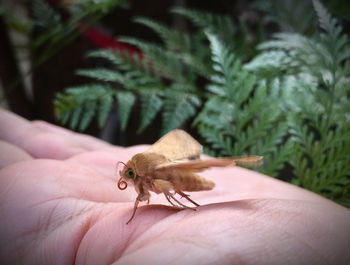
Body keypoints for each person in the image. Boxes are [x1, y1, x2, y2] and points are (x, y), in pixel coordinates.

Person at [0, 108, 349, 265]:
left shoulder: (154, 174)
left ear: (140, 174)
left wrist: (176, 197)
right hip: (172, 175)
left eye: (132, 176)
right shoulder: (143, 173)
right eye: (131, 177)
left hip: (182, 177)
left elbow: (160, 184)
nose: (131, 182)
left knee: (169, 186)